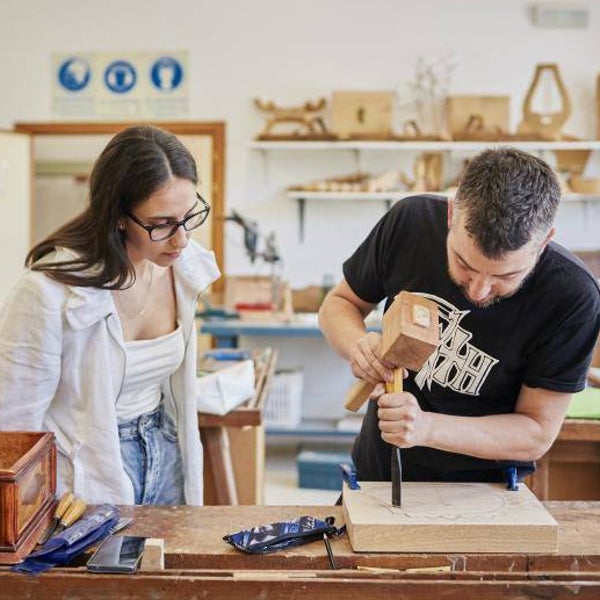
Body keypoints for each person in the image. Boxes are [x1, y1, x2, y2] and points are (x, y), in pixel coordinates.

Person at [319, 147, 600, 485]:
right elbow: (339, 304)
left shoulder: (572, 297)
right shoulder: (411, 222)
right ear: (452, 215)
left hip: (486, 487)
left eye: (504, 277)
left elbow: (536, 432)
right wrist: (357, 346)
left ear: (543, 244)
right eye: (465, 265)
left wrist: (428, 428)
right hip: (379, 475)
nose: (478, 291)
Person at [0, 125, 220, 505]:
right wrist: (31, 506)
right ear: (118, 215)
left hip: (166, 451)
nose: (181, 239)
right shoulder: (47, 291)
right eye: (161, 223)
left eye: (188, 216)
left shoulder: (183, 266)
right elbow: (14, 425)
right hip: (84, 473)